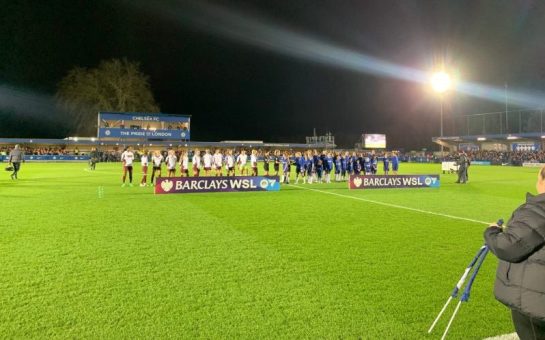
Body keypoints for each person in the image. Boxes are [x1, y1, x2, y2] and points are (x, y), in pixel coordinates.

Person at [484, 167, 545, 340]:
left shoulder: (539, 209)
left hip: (536, 301)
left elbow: (508, 247)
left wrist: (492, 232)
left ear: (542, 180)